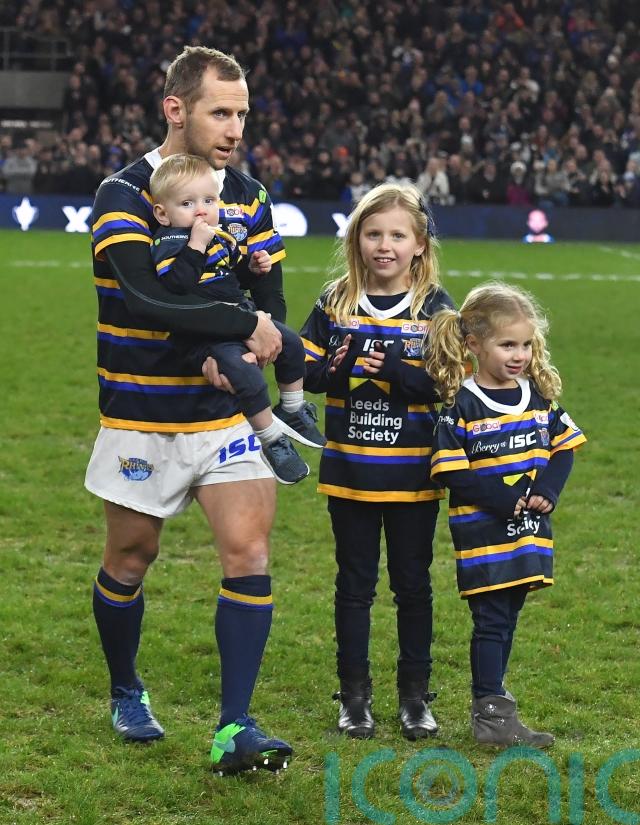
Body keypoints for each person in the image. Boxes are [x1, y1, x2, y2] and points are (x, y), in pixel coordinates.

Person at [85, 45, 295, 776]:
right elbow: (147, 299)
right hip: (141, 411)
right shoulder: (124, 193)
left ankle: (235, 726)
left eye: (242, 113)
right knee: (130, 559)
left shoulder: (249, 196)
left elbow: (270, 302)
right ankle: (125, 688)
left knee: (249, 553)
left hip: (222, 413)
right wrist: (240, 326)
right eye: (220, 112)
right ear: (175, 109)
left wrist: (256, 346)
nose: (235, 128)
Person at [301, 183, 455, 740]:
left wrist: (391, 368)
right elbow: (306, 374)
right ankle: (355, 697)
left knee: (412, 586)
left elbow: (448, 385)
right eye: (372, 234)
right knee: (354, 586)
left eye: (396, 235)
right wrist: (340, 368)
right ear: (356, 239)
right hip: (351, 472)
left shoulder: (435, 307)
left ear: (419, 244)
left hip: (413, 475)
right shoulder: (335, 302)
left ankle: (415, 697)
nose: (384, 245)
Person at [425, 282, 586, 748]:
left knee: (508, 617)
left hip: (529, 532)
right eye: (507, 345)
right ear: (474, 345)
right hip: (485, 535)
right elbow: (449, 469)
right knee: (492, 620)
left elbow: (565, 448)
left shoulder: (537, 396)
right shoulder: (462, 403)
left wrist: (548, 490)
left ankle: (496, 709)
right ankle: (491, 715)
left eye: (526, 344)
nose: (520, 355)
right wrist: (500, 498)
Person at [149, 153, 325, 484]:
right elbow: (176, 286)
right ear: (163, 213)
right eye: (187, 203)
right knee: (246, 375)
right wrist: (195, 246)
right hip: (204, 332)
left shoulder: (217, 235)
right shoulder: (169, 240)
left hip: (237, 314)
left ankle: (292, 408)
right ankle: (271, 439)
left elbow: (229, 273)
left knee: (290, 341)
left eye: (208, 200)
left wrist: (252, 268)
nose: (201, 210)